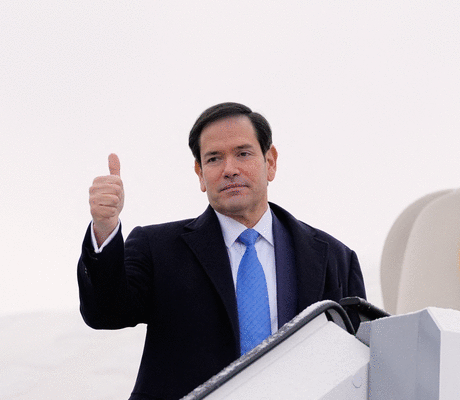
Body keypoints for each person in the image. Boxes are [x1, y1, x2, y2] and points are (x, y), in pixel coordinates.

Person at [78, 102, 366, 400]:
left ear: (270, 162)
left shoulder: (335, 258)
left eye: (243, 153)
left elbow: (358, 365)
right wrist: (104, 228)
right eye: (214, 159)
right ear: (200, 173)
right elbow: (105, 313)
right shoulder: (157, 248)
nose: (230, 170)